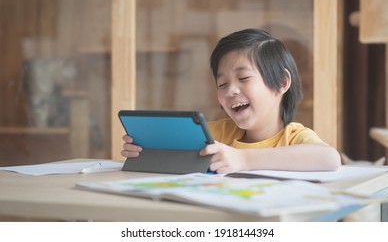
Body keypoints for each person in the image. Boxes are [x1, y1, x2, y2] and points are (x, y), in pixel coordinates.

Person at [121, 28, 341, 174]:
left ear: (282, 82)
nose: (231, 90)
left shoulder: (293, 137)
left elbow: (329, 159)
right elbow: (176, 154)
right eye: (222, 84)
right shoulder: (215, 135)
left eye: (244, 78)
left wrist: (243, 160)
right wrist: (145, 150)